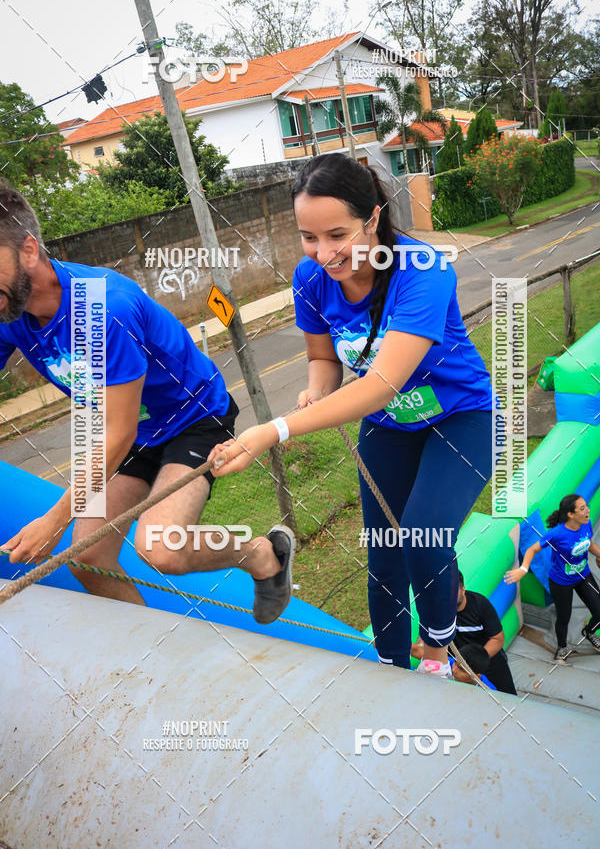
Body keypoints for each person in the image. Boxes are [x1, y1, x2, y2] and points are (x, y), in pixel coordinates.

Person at [209, 153, 494, 677]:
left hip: (458, 419)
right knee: (384, 552)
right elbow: (323, 359)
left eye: (337, 235)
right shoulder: (311, 279)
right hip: (389, 431)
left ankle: (436, 651)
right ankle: (389, 666)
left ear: (375, 217)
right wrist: (317, 392)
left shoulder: (422, 272)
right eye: (308, 237)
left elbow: (381, 386)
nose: (323, 253)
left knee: (423, 532)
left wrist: (271, 430)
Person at [0, 182, 294, 624]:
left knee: (162, 550)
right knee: (88, 558)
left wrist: (54, 519)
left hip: (193, 417)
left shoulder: (102, 307)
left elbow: (117, 435)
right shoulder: (9, 310)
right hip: (135, 429)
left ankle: (263, 554)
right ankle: (153, 654)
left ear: (27, 250)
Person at [505, 494, 600, 661]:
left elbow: (589, 544)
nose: (588, 511)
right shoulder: (556, 534)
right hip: (561, 582)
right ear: (570, 514)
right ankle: (562, 647)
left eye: (587, 506)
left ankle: (589, 632)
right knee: (564, 617)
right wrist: (523, 568)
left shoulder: (586, 524)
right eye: (582, 508)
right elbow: (532, 550)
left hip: (583, 575)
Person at [455, 570, 517, 694]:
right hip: (458, 662)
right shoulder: (439, 608)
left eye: (453, 591)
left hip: (487, 657)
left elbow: (498, 639)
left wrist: (474, 663)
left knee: (507, 697)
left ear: (463, 589)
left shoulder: (479, 605)